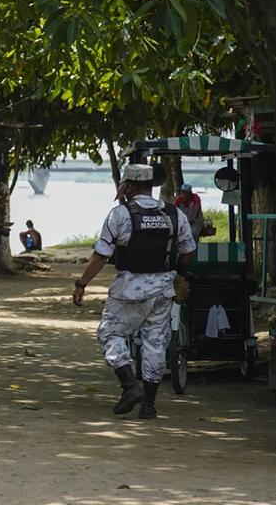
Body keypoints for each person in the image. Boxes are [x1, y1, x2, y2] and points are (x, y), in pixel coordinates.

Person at [72, 164, 196, 419]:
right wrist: (178, 273)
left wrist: (81, 283)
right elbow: (187, 250)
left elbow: (100, 255)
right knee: (155, 342)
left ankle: (129, 386)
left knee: (111, 333)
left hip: (129, 289)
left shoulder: (120, 214)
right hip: (163, 289)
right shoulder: (174, 214)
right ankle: (148, 405)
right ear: (151, 186)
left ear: (127, 186)